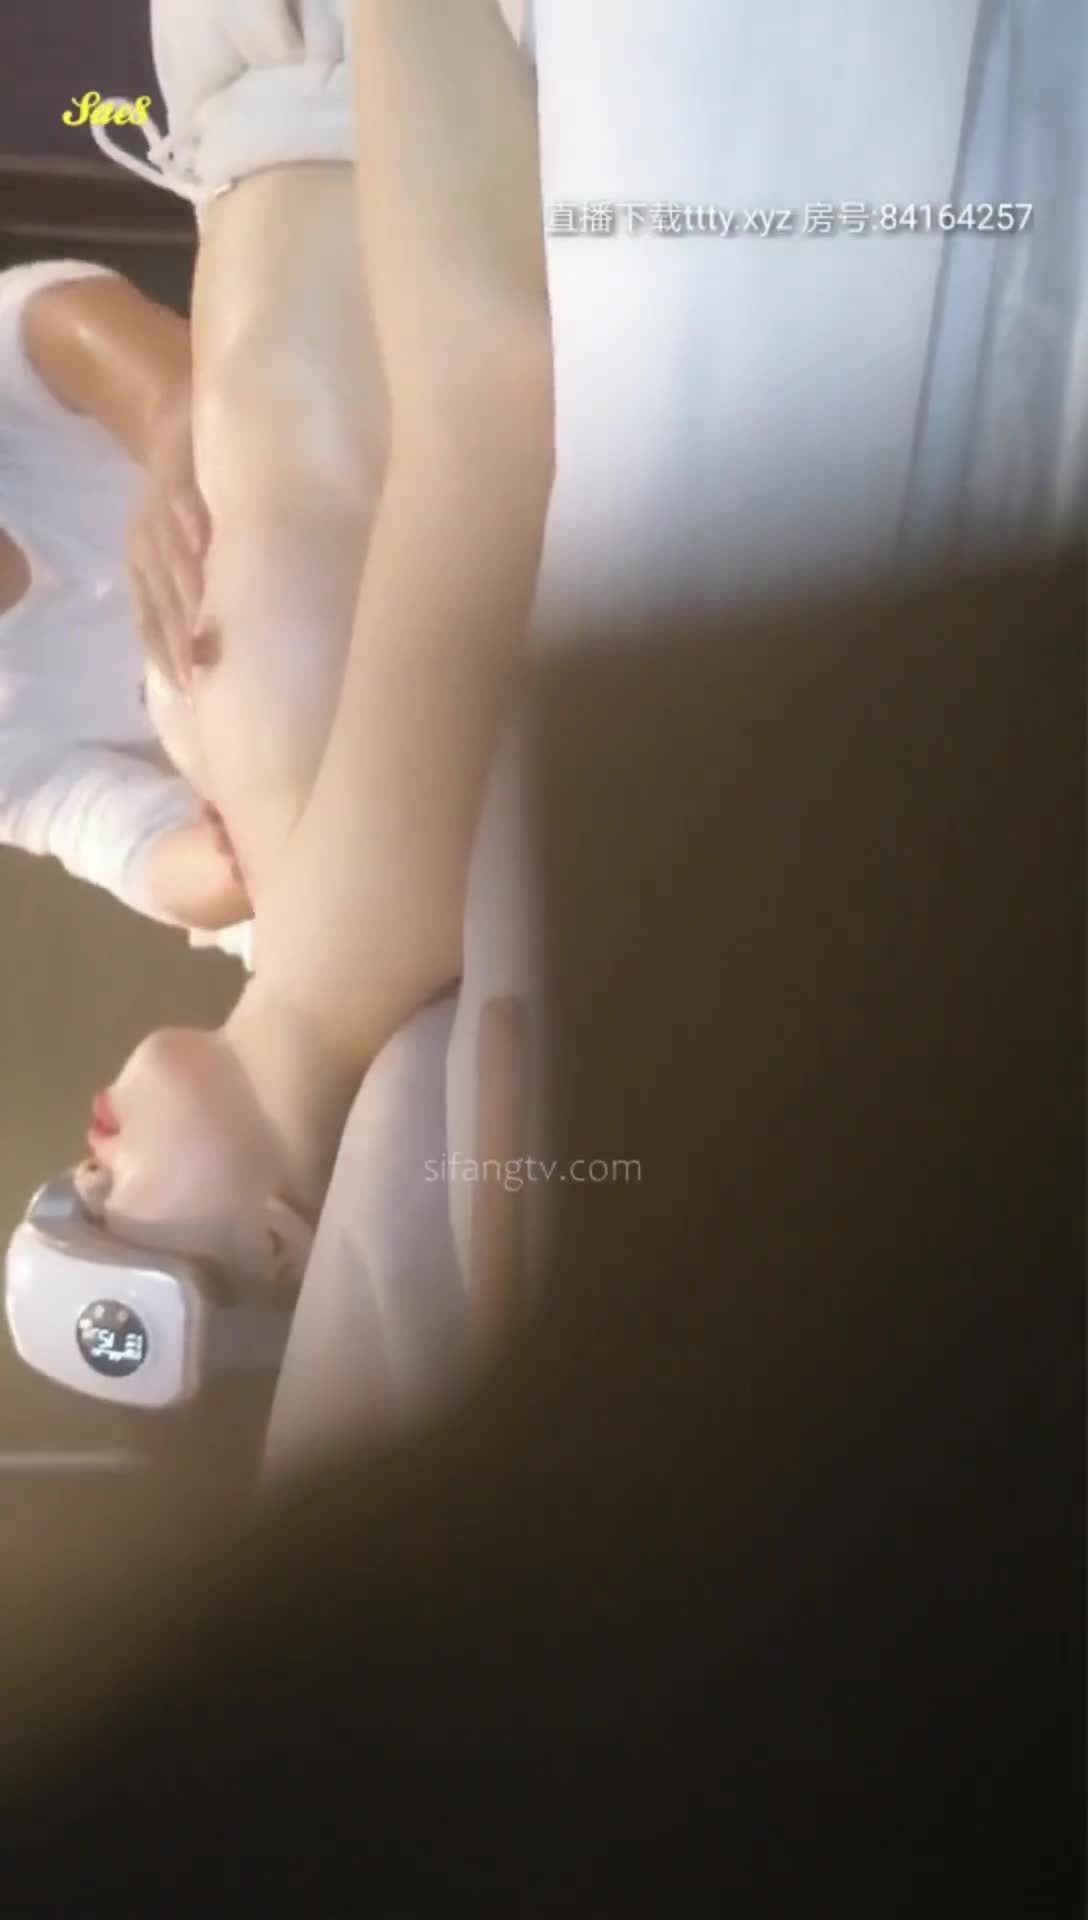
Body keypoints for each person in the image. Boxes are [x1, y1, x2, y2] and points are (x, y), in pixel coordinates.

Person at [72, 0, 552, 1296]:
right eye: (123, 1227)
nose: (87, 1170)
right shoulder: (373, 934)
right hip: (347, 84)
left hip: (244, 121)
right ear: (281, 1239)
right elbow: (490, 423)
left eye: (72, 1199)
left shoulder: (285, 915)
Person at [0, 257, 253, 957]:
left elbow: (172, 388)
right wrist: (226, 859)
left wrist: (176, 461)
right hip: (345, 737)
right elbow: (141, 853)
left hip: (368, 466)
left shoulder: (12, 350)